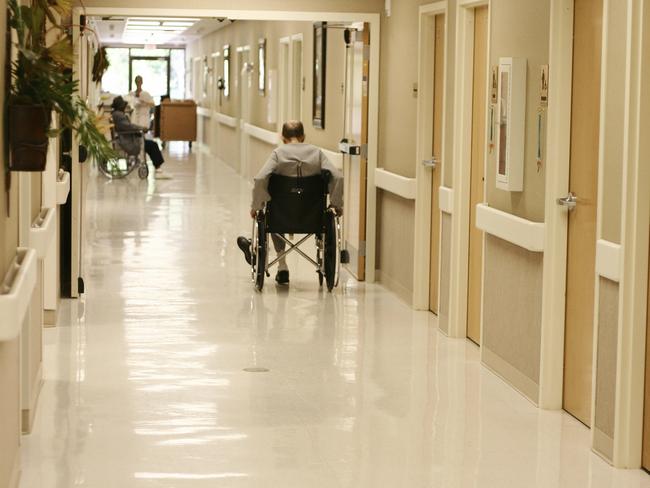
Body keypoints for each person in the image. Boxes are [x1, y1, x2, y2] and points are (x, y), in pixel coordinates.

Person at [237, 121, 343, 285]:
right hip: (313, 218)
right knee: (278, 210)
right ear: (303, 137)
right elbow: (337, 177)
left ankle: (282, 266)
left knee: (271, 210)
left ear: (283, 138)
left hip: (280, 218)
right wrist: (336, 205)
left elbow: (260, 178)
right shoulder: (317, 154)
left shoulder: (278, 154)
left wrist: (256, 207)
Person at [111, 96, 171, 179]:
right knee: (153, 145)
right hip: (129, 141)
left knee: (151, 145)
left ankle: (158, 169)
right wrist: (141, 128)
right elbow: (129, 127)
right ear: (120, 106)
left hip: (129, 138)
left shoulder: (117, 114)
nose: (125, 107)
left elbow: (128, 126)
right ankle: (158, 170)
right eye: (123, 105)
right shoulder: (119, 115)